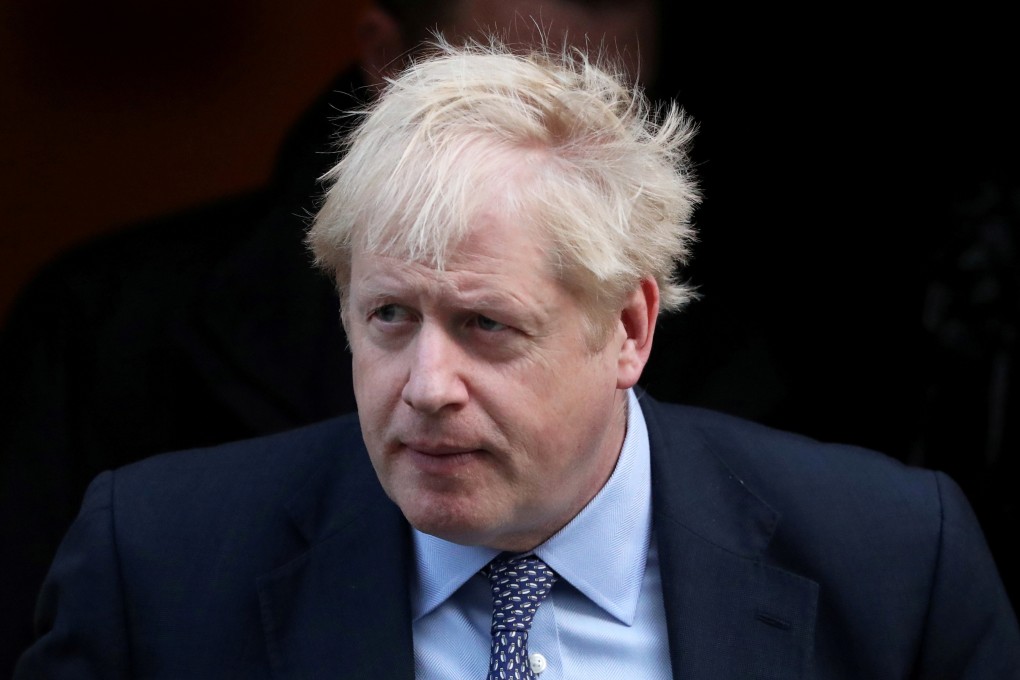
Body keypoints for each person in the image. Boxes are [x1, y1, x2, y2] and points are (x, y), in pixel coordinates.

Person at [14, 37, 1019, 678]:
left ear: (629, 328)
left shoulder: (894, 562)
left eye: (487, 325)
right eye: (390, 317)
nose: (427, 387)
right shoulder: (155, 564)